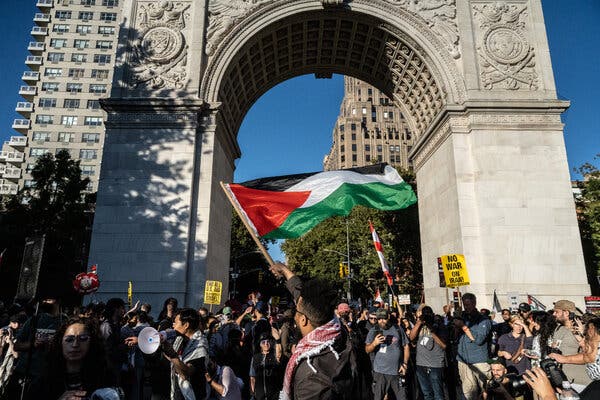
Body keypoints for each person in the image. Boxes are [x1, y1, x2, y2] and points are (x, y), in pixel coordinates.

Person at [269, 262, 356, 399]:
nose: (294, 314)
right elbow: (303, 298)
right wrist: (285, 271)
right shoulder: (342, 335)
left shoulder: (311, 377)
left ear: (303, 320)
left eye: (296, 310)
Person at [32, 317, 118, 399]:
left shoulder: (105, 376)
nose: (75, 345)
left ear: (93, 342)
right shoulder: (45, 380)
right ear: (60, 343)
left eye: (83, 339)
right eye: (69, 339)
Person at [160, 308, 208, 400]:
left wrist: (173, 355)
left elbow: (185, 374)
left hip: (192, 395)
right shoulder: (181, 339)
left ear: (186, 325)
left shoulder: (200, 345)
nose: (173, 326)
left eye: (176, 322)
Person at [454, 293, 493, 400]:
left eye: (469, 304)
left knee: (486, 391)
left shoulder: (483, 319)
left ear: (474, 303)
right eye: (464, 305)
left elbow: (479, 340)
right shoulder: (462, 317)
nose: (466, 307)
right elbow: (454, 338)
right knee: (468, 393)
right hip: (463, 361)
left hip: (479, 360)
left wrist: (463, 326)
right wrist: (456, 326)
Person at [366, 308, 410, 400]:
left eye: (384, 318)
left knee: (402, 397)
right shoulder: (373, 330)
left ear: (388, 317)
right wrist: (374, 343)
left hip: (397, 371)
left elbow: (406, 346)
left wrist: (405, 364)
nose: (381, 321)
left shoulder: (397, 329)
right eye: (379, 319)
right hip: (380, 372)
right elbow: (367, 350)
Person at [549, 299, 591, 390]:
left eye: (556, 312)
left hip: (579, 382)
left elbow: (590, 355)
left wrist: (564, 359)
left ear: (566, 313)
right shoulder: (558, 328)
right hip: (561, 381)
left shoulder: (583, 329)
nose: (554, 314)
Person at [409, 306, 446, 400]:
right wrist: (418, 324)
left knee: (438, 394)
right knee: (427, 394)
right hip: (421, 364)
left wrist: (432, 330)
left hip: (435, 365)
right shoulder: (420, 325)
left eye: (428, 315)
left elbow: (444, 345)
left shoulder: (439, 326)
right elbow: (411, 338)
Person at [549, 317, 600, 383]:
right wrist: (578, 334)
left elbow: (588, 357)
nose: (588, 331)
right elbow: (587, 355)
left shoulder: (596, 345)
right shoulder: (593, 343)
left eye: (591, 328)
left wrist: (564, 359)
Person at [249, 333, 283, 400]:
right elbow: (252, 377)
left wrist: (278, 340)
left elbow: (279, 353)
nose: (266, 344)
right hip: (259, 395)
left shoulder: (274, 356)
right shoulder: (255, 357)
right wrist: (254, 393)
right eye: (263, 342)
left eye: (268, 341)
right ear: (260, 344)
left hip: (274, 394)